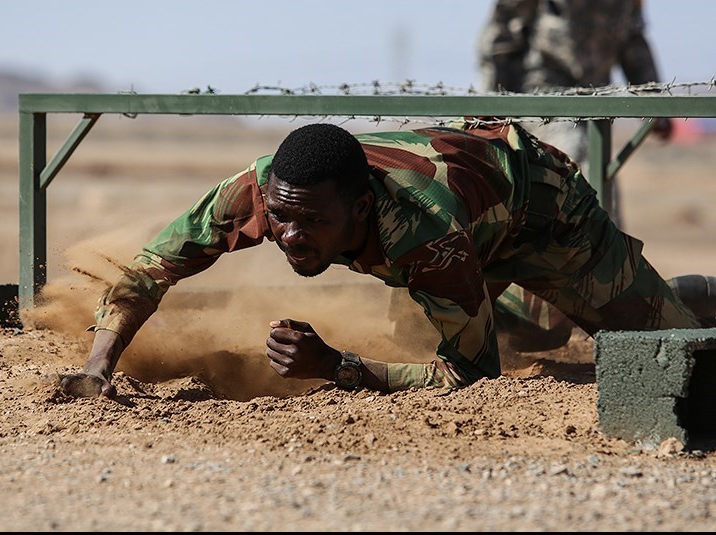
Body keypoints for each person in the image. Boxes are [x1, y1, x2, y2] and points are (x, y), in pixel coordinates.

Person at [60, 121, 714, 399]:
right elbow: (149, 269)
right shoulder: (265, 188)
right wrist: (97, 367)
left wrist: (337, 365)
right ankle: (546, 303)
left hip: (546, 214)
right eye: (282, 217)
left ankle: (676, 294)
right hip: (471, 217)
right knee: (530, 326)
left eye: (312, 223)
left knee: (653, 340)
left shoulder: (422, 235)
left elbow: (472, 377)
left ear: (361, 209)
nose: (289, 235)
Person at [471, 0, 677, 351]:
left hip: (595, 95)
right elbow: (503, 31)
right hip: (541, 90)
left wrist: (654, 100)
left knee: (602, 194)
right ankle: (546, 308)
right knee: (579, 170)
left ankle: (607, 300)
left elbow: (632, 40)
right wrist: (491, 100)